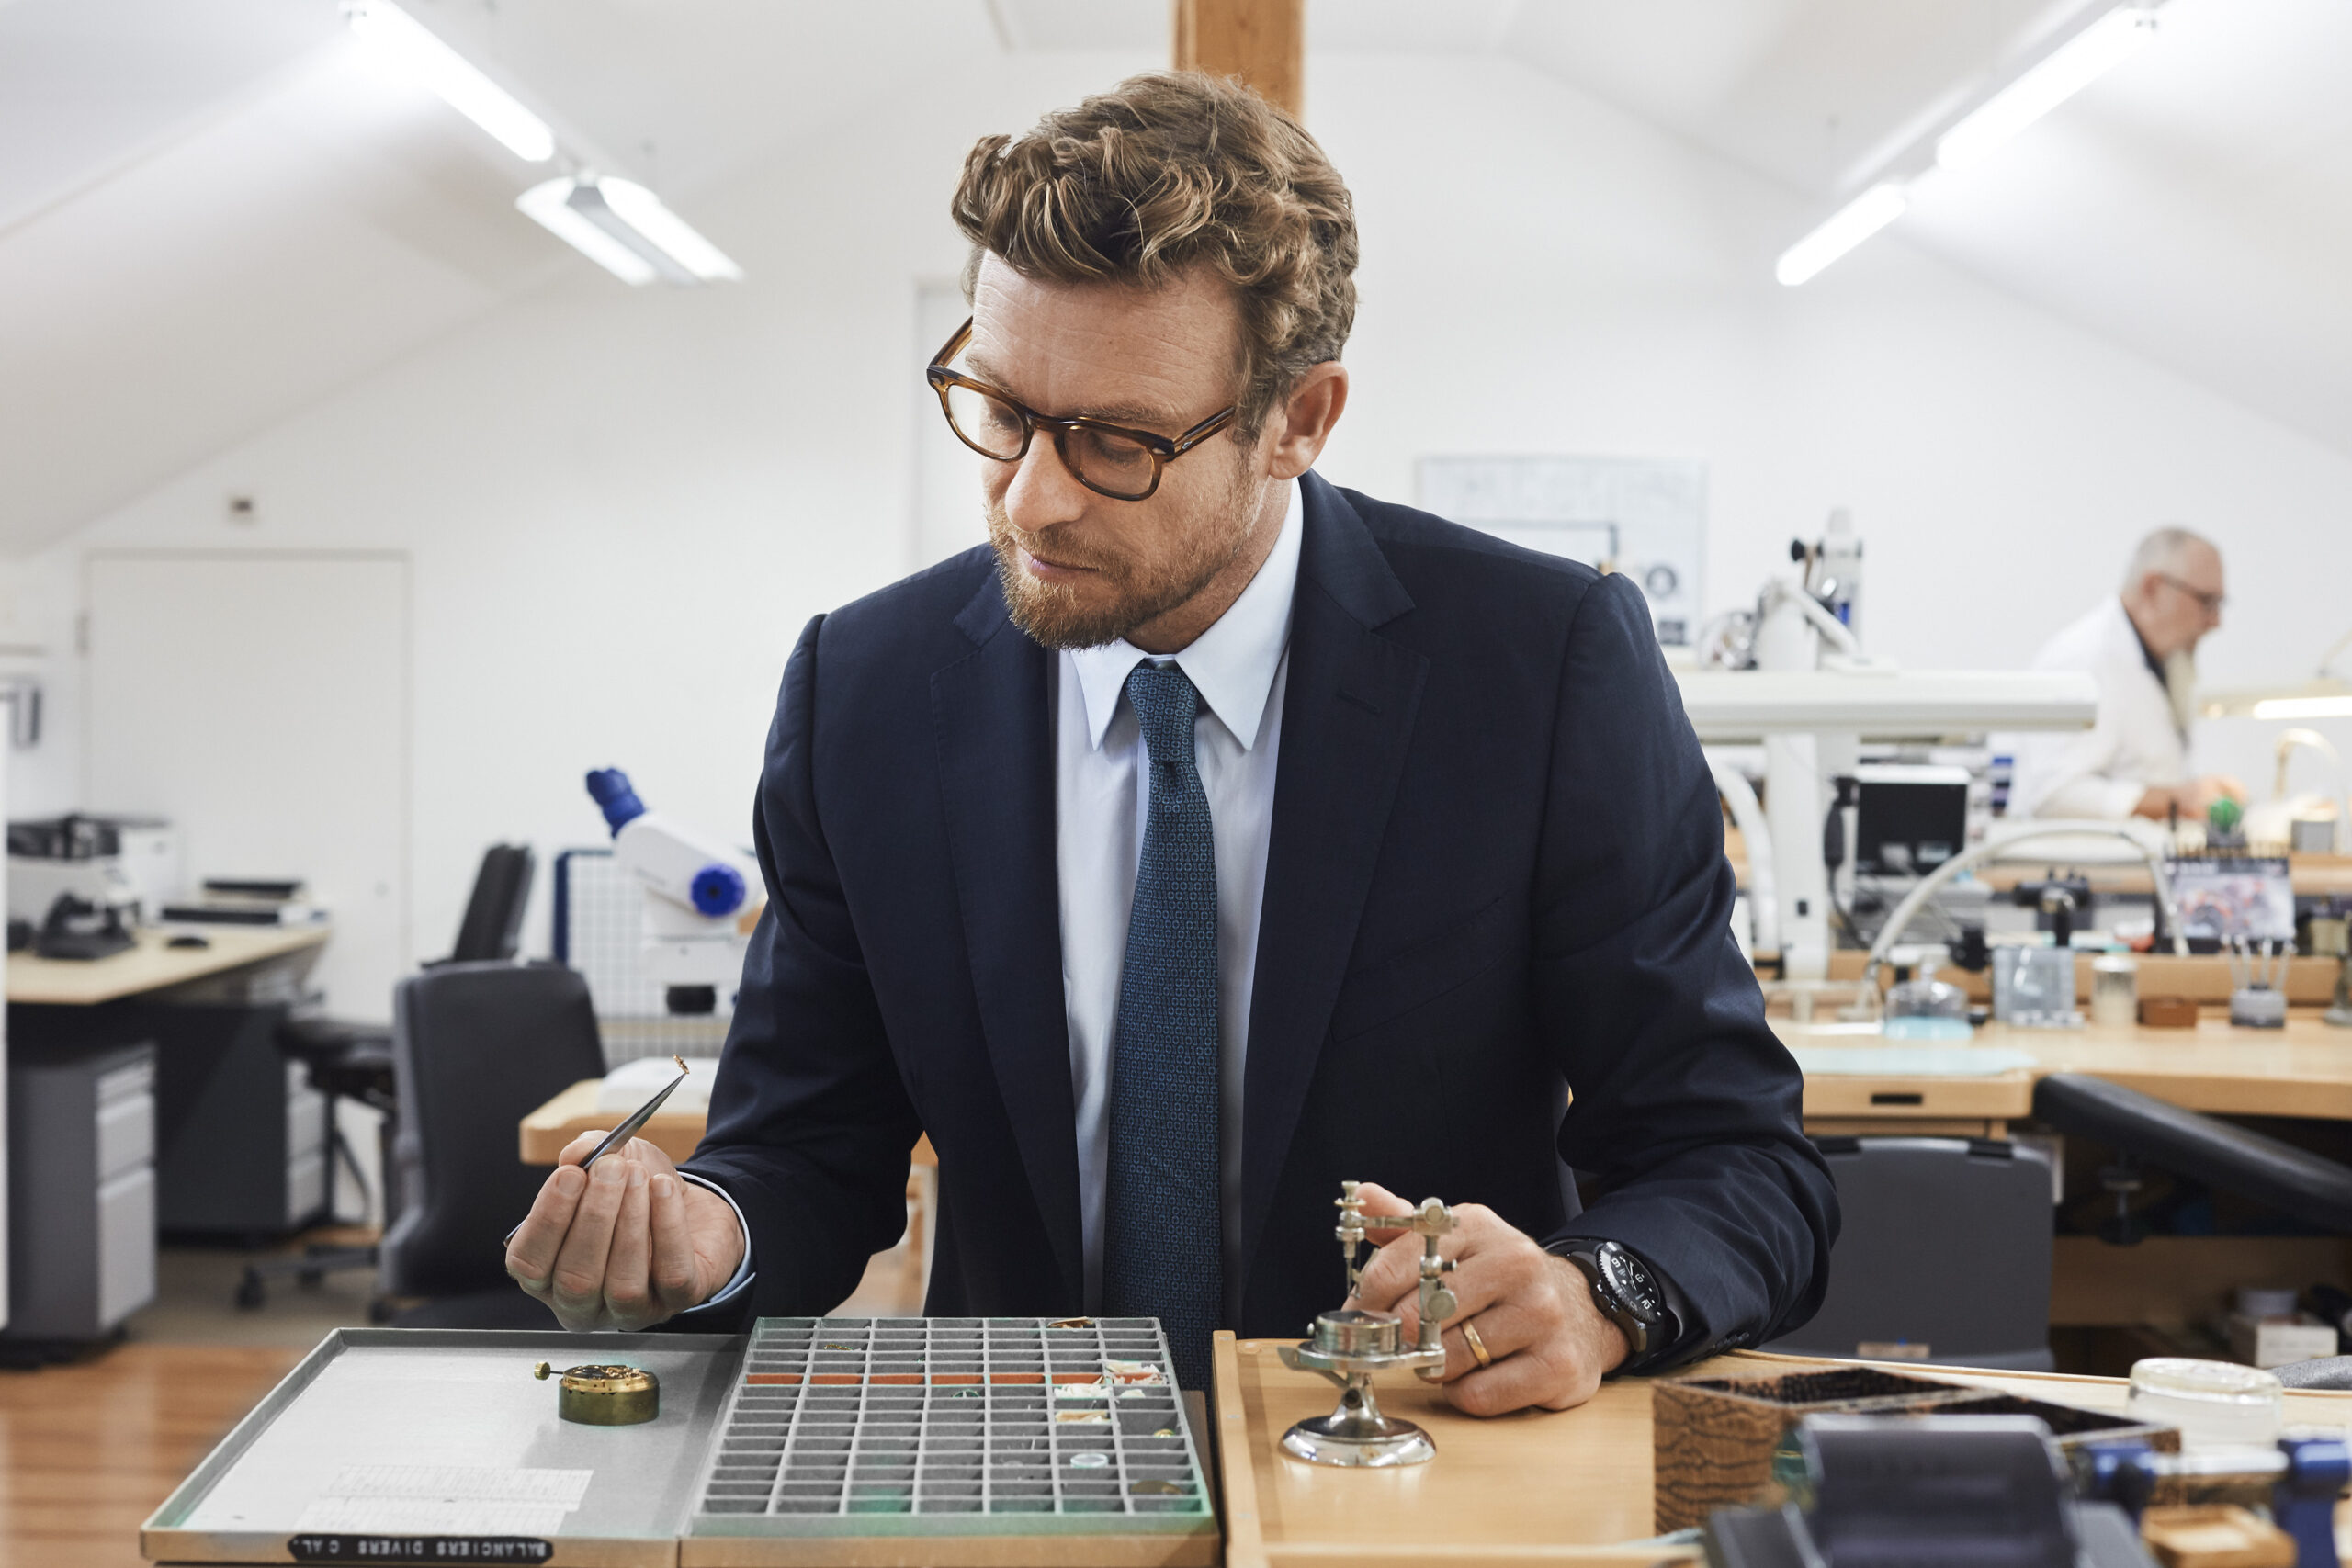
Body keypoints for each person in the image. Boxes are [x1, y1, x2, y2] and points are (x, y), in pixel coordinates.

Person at [505, 73, 1835, 1411]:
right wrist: (703, 1240)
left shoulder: (1540, 666)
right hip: (1021, 1475)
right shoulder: (867, 689)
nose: (1033, 500)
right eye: (1003, 408)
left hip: (1409, 1463)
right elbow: (804, 1145)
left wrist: (1594, 1290)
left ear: (1300, 422)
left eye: (1118, 443)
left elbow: (1736, 1161)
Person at [2010, 527, 2244, 823]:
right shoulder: (2085, 659)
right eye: (2206, 601)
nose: (2216, 622)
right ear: (2153, 587)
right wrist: (2178, 799)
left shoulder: (2160, 662)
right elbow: (2052, 794)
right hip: (2078, 863)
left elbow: (2144, 771)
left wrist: (2193, 793)